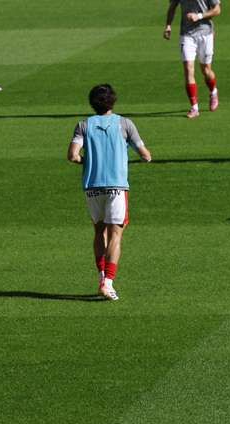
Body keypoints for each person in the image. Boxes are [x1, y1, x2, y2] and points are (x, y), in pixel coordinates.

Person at [67, 84, 152, 302]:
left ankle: (101, 277)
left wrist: (88, 161)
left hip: (92, 186)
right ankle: (108, 282)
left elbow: (73, 156)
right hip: (117, 186)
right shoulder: (125, 124)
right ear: (113, 101)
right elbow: (145, 155)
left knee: (99, 232)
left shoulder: (83, 125)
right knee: (116, 234)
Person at [163, 0, 221, 119]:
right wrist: (168, 25)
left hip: (205, 33)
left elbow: (217, 10)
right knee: (188, 70)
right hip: (187, 34)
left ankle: (213, 92)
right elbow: (172, 6)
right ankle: (194, 108)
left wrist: (199, 16)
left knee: (206, 70)